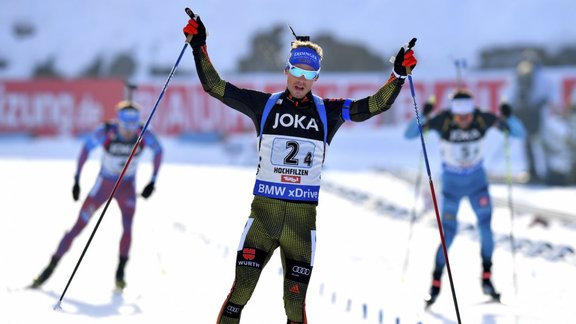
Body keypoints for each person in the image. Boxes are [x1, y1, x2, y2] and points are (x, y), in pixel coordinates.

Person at [182, 11, 417, 324]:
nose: (301, 78)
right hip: (262, 220)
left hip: (300, 227)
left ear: (317, 77)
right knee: (240, 293)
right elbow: (214, 86)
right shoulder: (262, 104)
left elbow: (374, 105)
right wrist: (199, 46)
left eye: (310, 72)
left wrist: (398, 76)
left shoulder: (328, 112)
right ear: (286, 70)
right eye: (296, 69)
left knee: (294, 307)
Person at [404, 89, 526, 307]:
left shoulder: (482, 118)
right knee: (448, 233)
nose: (464, 121)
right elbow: (410, 135)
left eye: (467, 116)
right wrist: (424, 115)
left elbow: (518, 133)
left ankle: (487, 279)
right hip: (452, 185)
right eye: (459, 117)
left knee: (486, 229)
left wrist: (509, 116)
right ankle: (435, 285)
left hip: (477, 183)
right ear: (453, 113)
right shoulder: (442, 121)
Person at [30, 100, 163, 291]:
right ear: (119, 121)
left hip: (126, 187)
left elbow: (159, 151)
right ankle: (49, 269)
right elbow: (85, 149)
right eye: (126, 126)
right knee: (78, 227)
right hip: (104, 185)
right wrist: (77, 179)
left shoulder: (143, 134)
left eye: (133, 126)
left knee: (127, 227)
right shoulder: (107, 131)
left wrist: (153, 180)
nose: (129, 131)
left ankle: (120, 273)